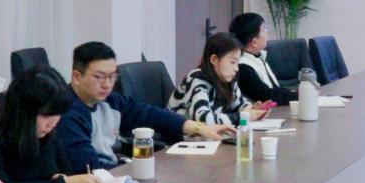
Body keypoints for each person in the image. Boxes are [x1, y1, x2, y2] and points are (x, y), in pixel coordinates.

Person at [56, 41, 233, 173]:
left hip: (116, 176)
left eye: (112, 76)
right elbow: (87, 167)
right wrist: (133, 171)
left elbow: (147, 114)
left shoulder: (109, 100)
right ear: (77, 77)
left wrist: (200, 128)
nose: (107, 84)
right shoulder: (66, 112)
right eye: (99, 77)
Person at [0, 66, 102, 183]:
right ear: (23, 111)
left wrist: (63, 180)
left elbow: (65, 174)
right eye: (46, 115)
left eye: (58, 114)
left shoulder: (49, 134)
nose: (53, 123)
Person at [169, 32, 271, 126]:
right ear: (214, 59)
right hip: (180, 137)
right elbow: (203, 120)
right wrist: (243, 116)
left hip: (209, 137)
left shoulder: (228, 79)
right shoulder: (197, 80)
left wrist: (254, 110)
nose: (236, 68)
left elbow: (240, 105)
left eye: (237, 63)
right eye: (232, 62)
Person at [229, 12, 297, 105]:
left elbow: (275, 89)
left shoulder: (258, 57)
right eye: (264, 29)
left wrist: (295, 93)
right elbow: (266, 96)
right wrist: (299, 96)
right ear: (254, 42)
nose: (266, 32)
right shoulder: (243, 66)